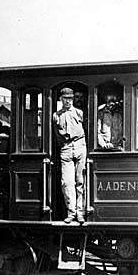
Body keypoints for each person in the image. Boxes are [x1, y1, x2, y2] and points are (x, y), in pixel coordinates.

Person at [52, 87, 86, 224]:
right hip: (66, 149)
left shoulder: (79, 113)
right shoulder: (56, 116)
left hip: (80, 146)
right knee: (67, 182)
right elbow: (56, 134)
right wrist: (64, 145)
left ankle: (80, 213)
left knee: (80, 182)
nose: (68, 101)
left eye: (70, 99)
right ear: (61, 99)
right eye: (66, 98)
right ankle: (71, 213)